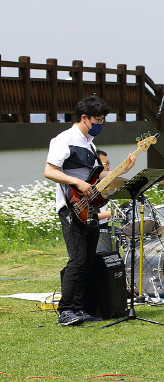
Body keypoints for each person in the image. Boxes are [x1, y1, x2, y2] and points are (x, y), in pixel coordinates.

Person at [44, 95, 135, 326]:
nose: (100, 124)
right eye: (97, 119)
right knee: (77, 259)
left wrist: (123, 169)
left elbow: (97, 177)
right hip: (71, 206)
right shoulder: (64, 139)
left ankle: (79, 308)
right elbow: (50, 171)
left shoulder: (90, 144)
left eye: (103, 120)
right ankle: (65, 311)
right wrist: (77, 183)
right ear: (84, 118)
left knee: (87, 260)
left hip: (90, 208)